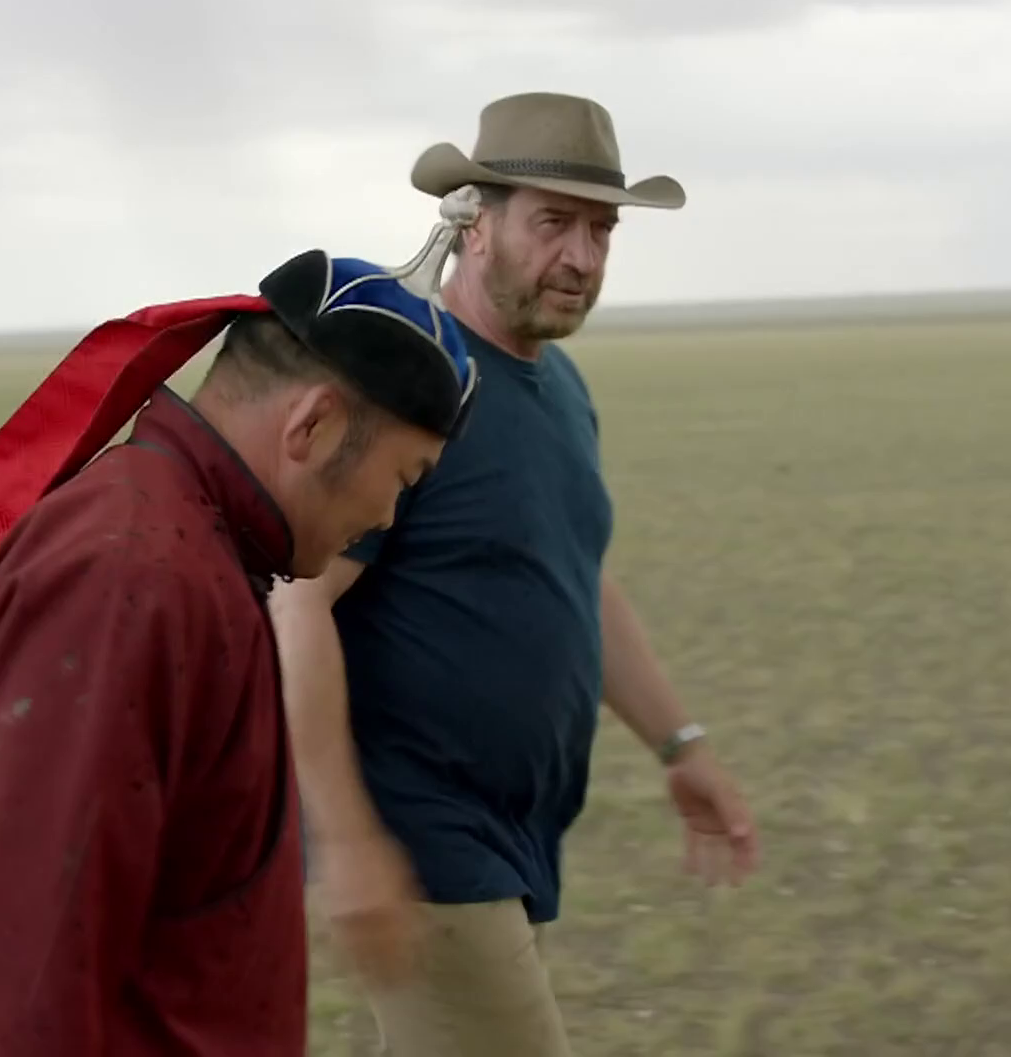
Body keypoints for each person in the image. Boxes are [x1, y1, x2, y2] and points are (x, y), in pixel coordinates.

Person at [0, 233, 480, 1055]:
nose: (386, 518)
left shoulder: (196, 551)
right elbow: (17, 991)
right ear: (314, 425)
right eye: (403, 480)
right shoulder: (129, 581)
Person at [271, 92, 761, 1056]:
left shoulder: (559, 386)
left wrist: (681, 746)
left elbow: (575, 580)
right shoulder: (408, 386)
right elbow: (294, 602)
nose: (581, 256)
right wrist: (350, 842)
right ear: (475, 225)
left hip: (516, 839)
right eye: (552, 223)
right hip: (426, 845)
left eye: (601, 229)